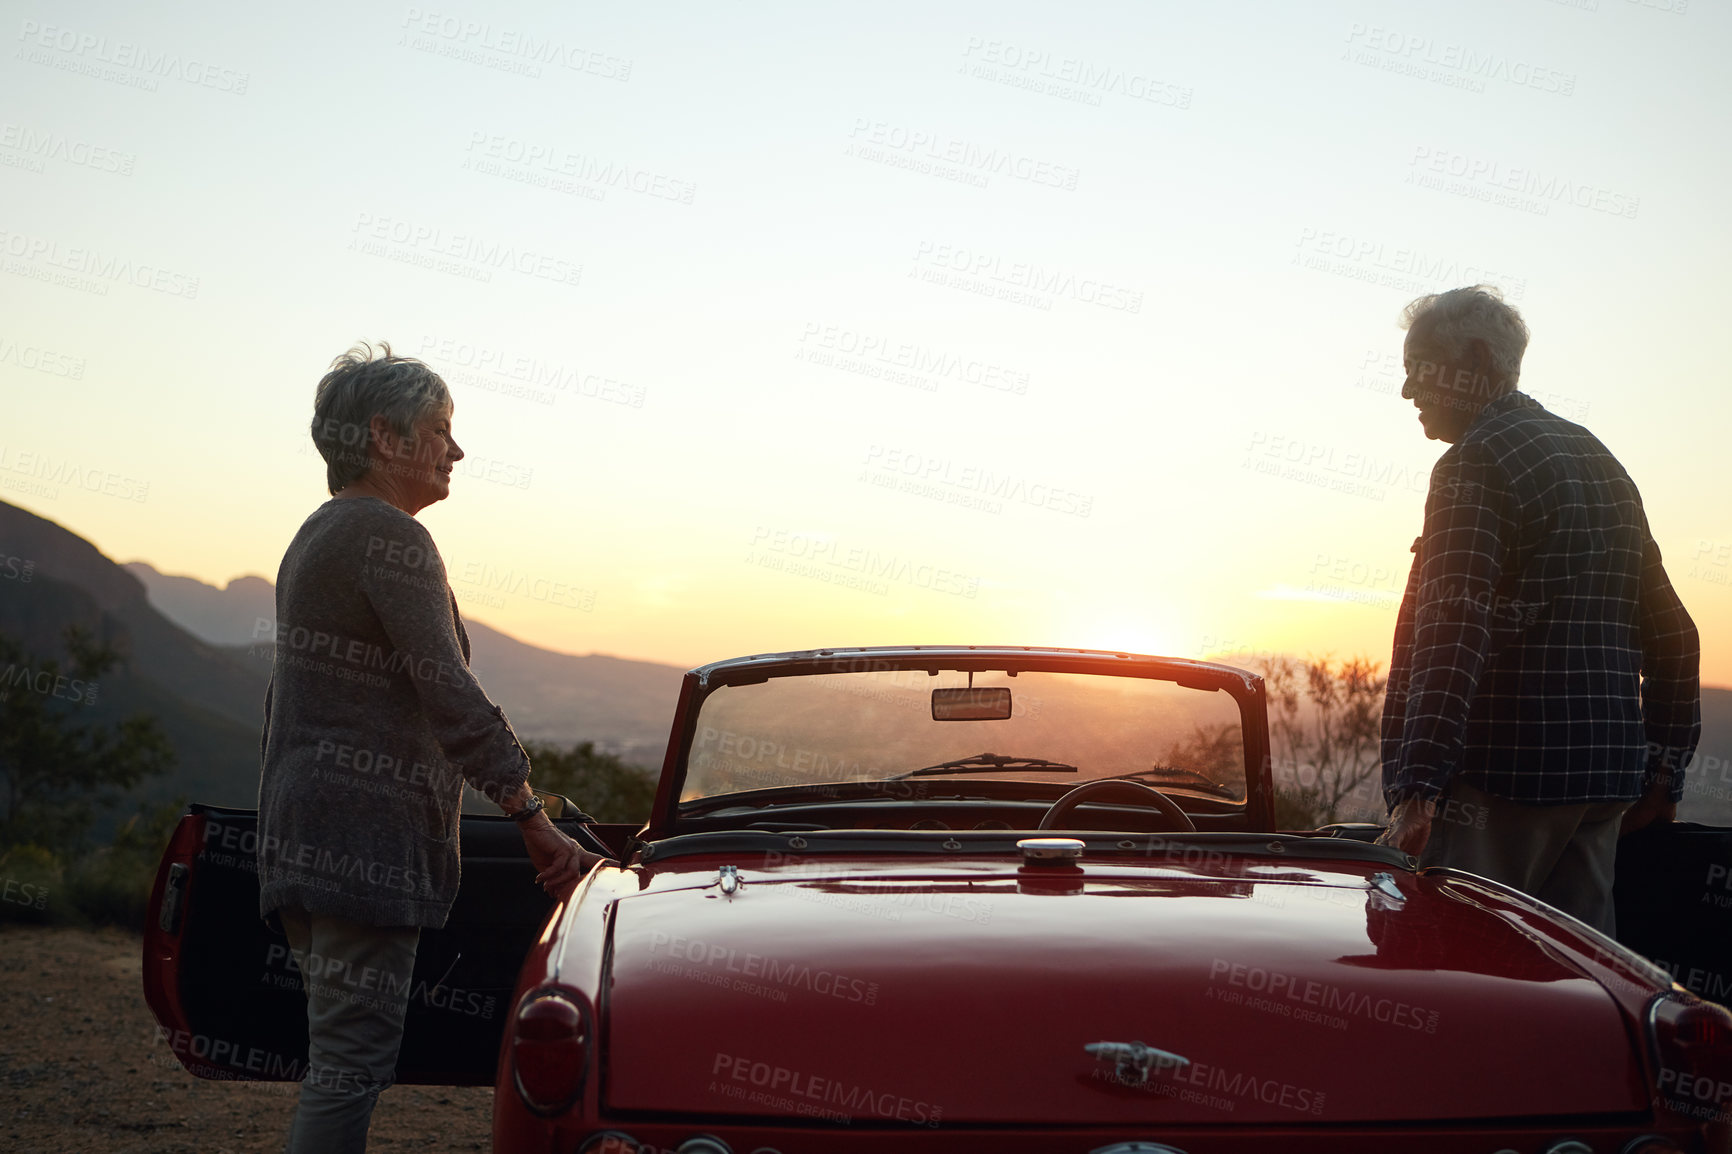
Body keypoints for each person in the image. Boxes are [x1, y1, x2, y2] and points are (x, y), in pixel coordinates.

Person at [256, 342, 609, 1153]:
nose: (456, 450)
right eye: (440, 430)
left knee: (336, 1060)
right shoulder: (391, 539)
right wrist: (529, 812)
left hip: (305, 832)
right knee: (349, 1068)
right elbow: (446, 691)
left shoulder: (316, 535)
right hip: (362, 840)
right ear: (386, 436)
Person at [1374, 287, 1700, 935]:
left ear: (1473, 361)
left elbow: (1453, 633)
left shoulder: (1474, 465)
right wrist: (1663, 773)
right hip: (1598, 792)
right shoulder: (1598, 459)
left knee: (1455, 983)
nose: (1407, 390)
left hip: (1501, 793)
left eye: (1417, 366)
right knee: (1575, 998)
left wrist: (1418, 790)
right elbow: (1675, 634)